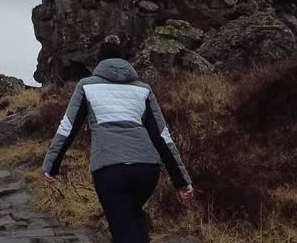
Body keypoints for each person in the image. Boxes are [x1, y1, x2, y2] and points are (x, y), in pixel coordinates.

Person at [41, 37, 194, 243]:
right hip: (147, 171)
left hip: (110, 170)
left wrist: (51, 165)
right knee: (133, 218)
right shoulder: (143, 89)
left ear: (99, 62)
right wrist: (181, 181)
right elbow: (162, 136)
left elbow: (68, 128)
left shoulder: (87, 86)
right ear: (125, 61)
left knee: (123, 230)